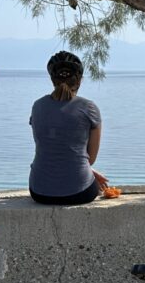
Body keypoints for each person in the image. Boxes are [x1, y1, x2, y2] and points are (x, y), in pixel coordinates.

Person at [29, 51, 108, 205]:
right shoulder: (89, 108)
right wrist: (87, 171)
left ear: (52, 79)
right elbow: (90, 159)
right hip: (79, 193)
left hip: (39, 192)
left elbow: (50, 149)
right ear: (80, 80)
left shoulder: (37, 106)